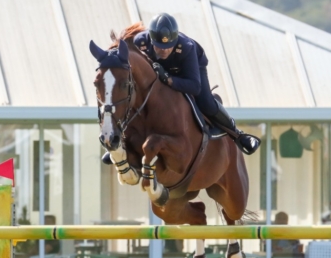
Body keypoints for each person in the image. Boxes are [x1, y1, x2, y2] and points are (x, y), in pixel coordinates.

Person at [102, 13, 260, 165]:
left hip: (188, 70)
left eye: (168, 46)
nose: (164, 50)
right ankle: (121, 141)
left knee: (206, 102)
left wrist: (169, 80)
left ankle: (237, 134)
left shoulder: (186, 47)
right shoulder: (140, 42)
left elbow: (194, 86)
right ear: (151, 40)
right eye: (159, 46)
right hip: (158, 73)